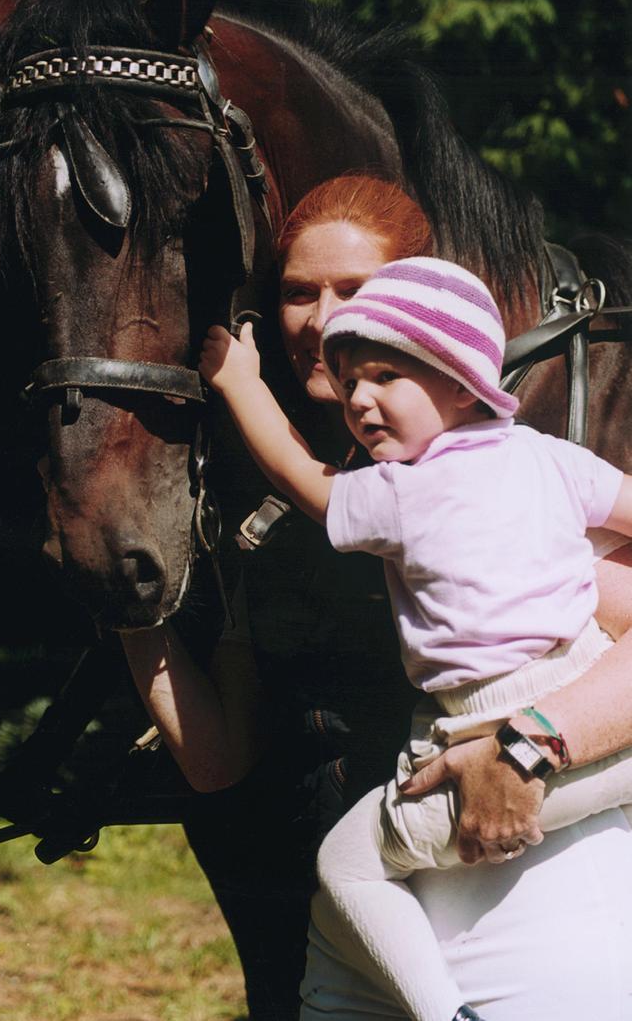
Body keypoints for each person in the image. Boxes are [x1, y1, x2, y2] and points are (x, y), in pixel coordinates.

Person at [124, 176, 632, 1020]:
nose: (322, 322)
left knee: (350, 863)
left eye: (354, 295)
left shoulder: (423, 499)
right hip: (359, 950)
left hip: (529, 905)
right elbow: (219, 758)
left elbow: (313, 480)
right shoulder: (538, 465)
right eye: (297, 292)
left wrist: (530, 746)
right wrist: (129, 605)